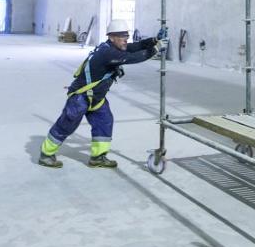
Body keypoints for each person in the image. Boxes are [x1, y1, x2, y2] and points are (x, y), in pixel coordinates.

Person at [39, 19, 165, 169]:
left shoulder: (116, 47)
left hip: (96, 98)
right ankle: (46, 154)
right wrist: (155, 49)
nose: (125, 39)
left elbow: (135, 47)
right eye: (121, 36)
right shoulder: (107, 52)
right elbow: (133, 57)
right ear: (111, 37)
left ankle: (98, 158)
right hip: (81, 97)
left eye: (126, 35)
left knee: (104, 121)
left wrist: (154, 40)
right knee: (67, 124)